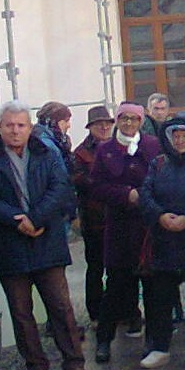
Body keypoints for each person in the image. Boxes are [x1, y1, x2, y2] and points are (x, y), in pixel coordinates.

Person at [0, 101, 92, 370]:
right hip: (10, 244)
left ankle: (74, 364)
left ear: (29, 128)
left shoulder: (46, 154)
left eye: (20, 125)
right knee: (21, 312)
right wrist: (17, 221)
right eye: (9, 125)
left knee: (61, 307)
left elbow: (60, 188)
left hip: (46, 239)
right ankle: (36, 367)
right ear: (0, 127)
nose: (15, 131)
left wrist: (36, 218)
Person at [137, 115, 185, 368]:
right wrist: (160, 216)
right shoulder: (158, 163)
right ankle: (160, 347)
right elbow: (146, 194)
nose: (180, 141)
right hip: (164, 239)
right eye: (176, 136)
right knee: (162, 296)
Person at [87, 102, 162, 363]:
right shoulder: (105, 149)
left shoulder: (152, 145)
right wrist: (124, 194)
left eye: (134, 119)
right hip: (119, 227)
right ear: (117, 120)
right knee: (116, 286)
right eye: (124, 118)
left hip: (147, 227)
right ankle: (104, 340)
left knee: (152, 287)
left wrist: (145, 197)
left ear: (141, 121)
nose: (128, 123)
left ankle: (153, 340)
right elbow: (96, 186)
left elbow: (162, 179)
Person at [70, 105, 115, 327]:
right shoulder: (80, 153)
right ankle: (96, 314)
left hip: (118, 218)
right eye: (99, 124)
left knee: (119, 268)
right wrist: (107, 184)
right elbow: (79, 180)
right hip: (94, 220)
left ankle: (122, 310)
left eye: (107, 123)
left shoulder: (120, 147)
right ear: (90, 127)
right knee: (95, 267)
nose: (104, 127)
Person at [34, 102, 75, 176]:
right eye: (66, 121)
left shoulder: (45, 140)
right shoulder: (48, 147)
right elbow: (60, 176)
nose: (69, 125)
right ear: (54, 122)